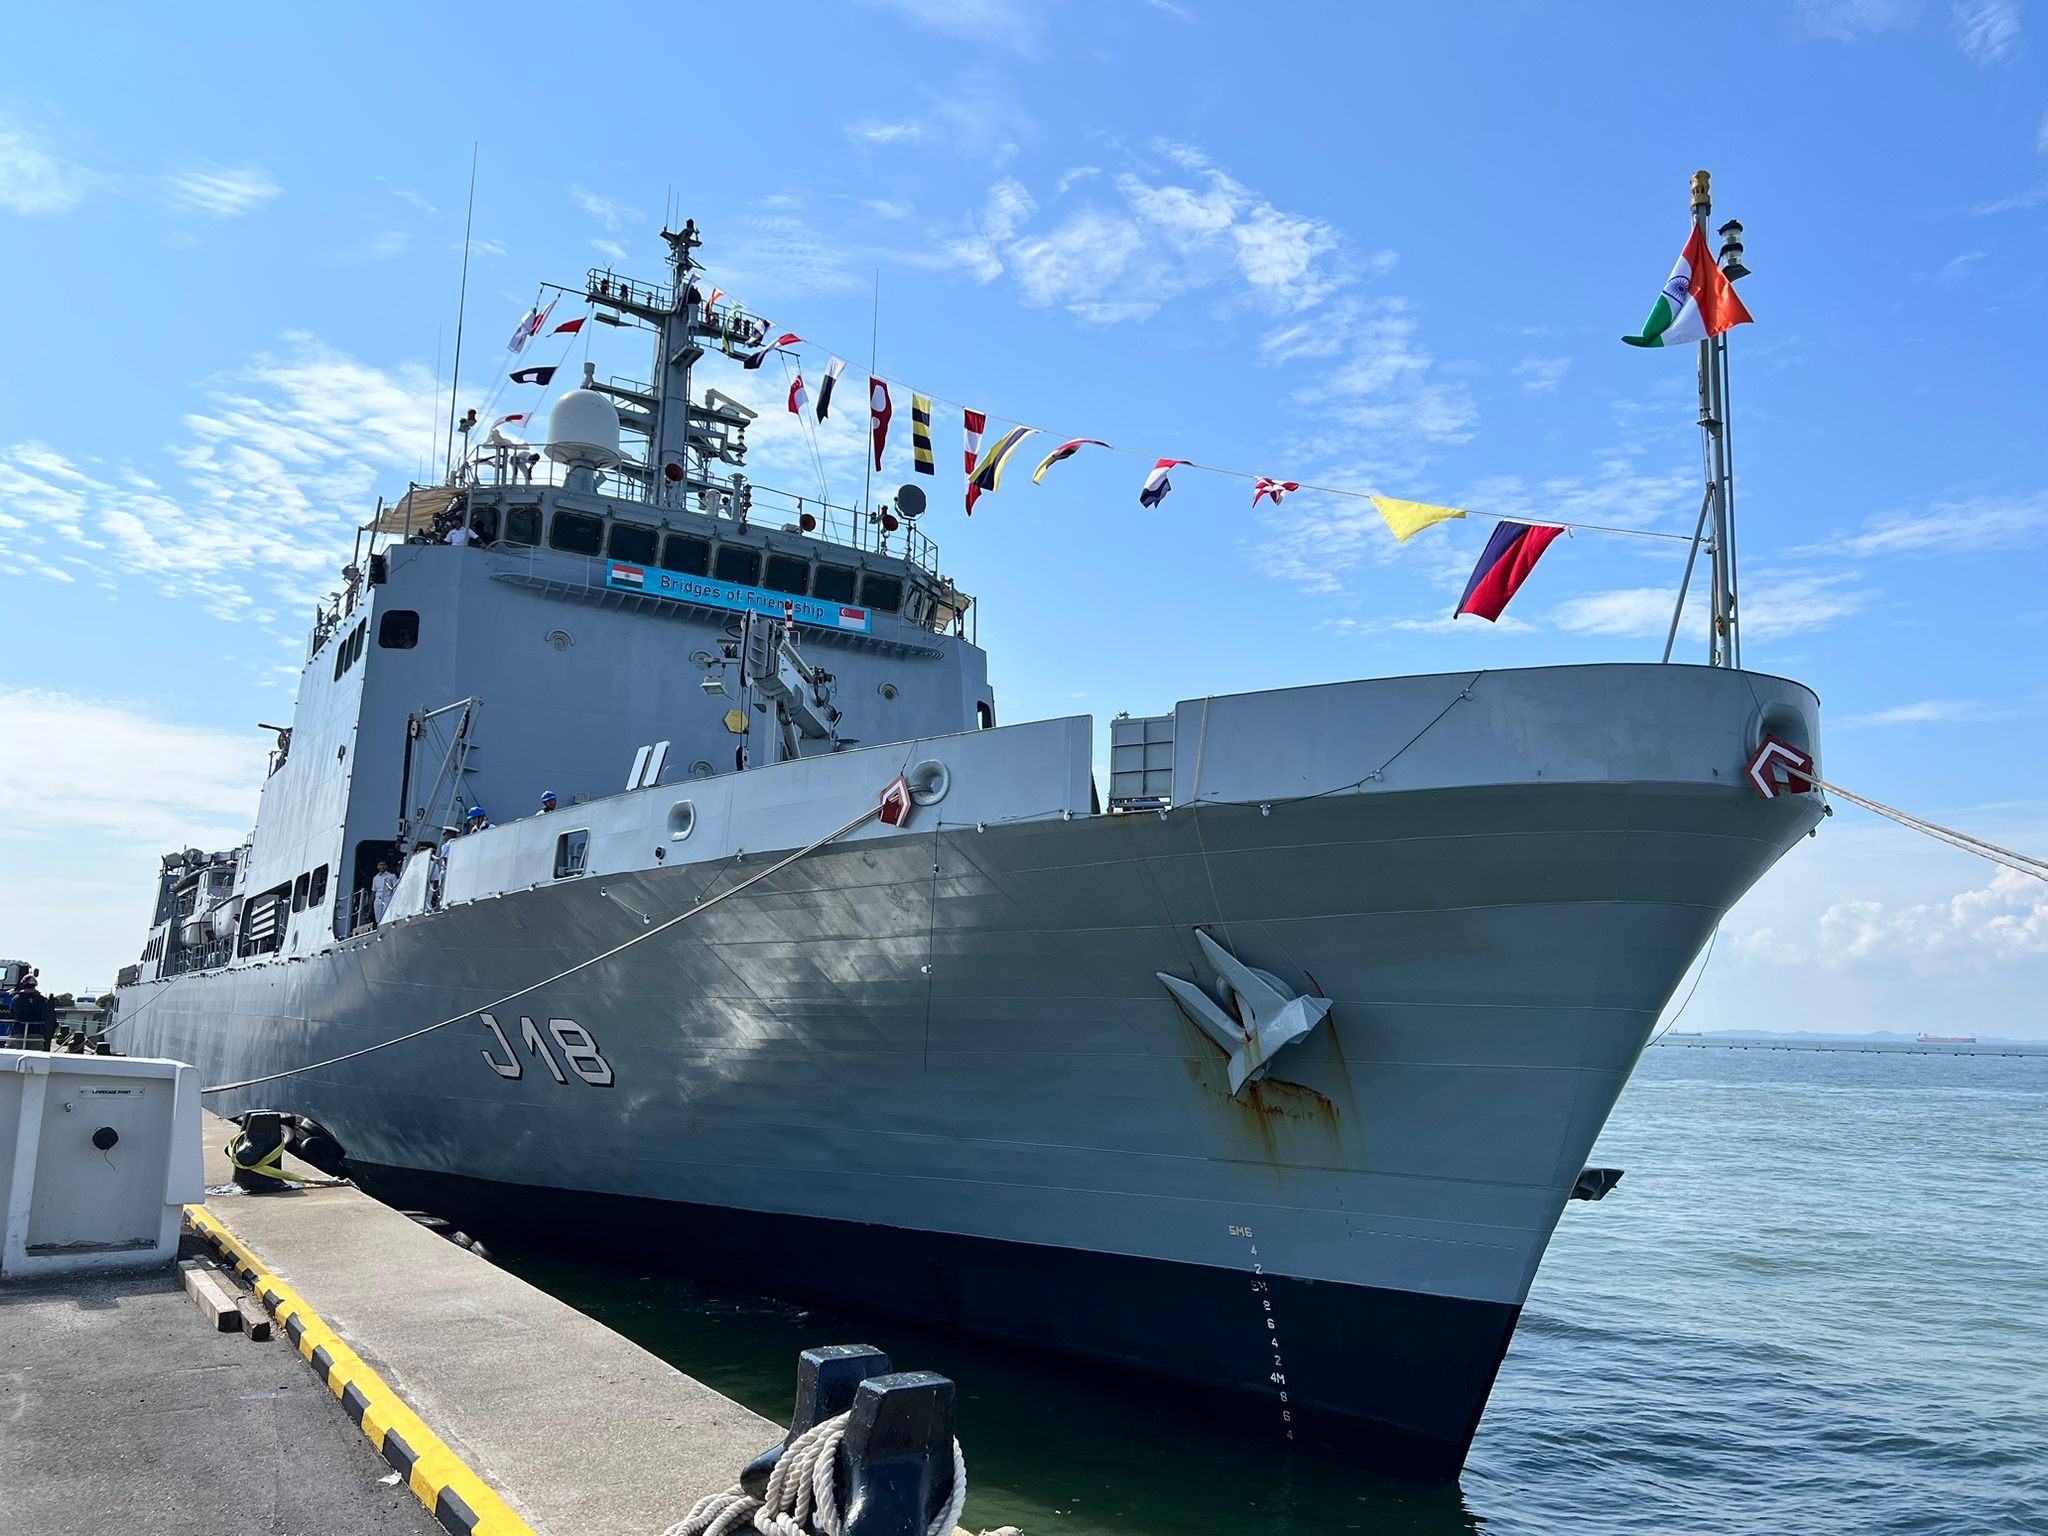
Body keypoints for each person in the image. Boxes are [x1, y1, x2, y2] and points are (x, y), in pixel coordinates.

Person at [370, 859, 399, 924]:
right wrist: (370, 905)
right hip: (377, 900)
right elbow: (374, 891)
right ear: (378, 867)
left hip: (387, 899)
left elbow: (395, 889)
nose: (382, 866)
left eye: (384, 865)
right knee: (378, 919)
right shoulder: (375, 878)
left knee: (387, 918)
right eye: (381, 865)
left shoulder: (391, 876)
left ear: (386, 866)